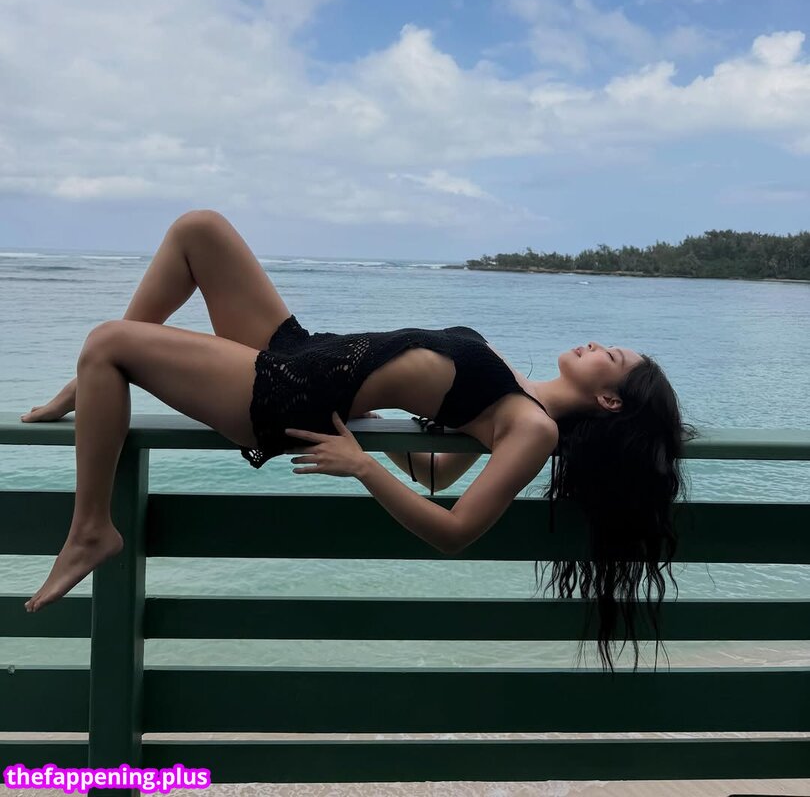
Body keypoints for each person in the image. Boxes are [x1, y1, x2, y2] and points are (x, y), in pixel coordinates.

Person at [20, 210, 697, 673]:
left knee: (109, 342)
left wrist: (362, 464)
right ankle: (91, 384)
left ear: (610, 400)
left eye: (611, 355)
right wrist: (383, 420)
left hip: (286, 393)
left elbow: (455, 530)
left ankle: (92, 526)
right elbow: (435, 471)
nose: (596, 344)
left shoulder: (534, 428)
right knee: (199, 229)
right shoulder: (516, 386)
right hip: (303, 352)